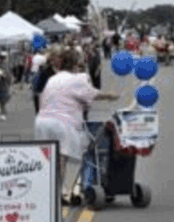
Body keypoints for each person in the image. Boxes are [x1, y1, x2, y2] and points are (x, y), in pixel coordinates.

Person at [33, 49, 119, 203]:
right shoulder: (78, 79)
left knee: (48, 157)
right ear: (76, 64)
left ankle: (46, 190)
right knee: (66, 158)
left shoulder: (54, 78)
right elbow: (91, 94)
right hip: (62, 122)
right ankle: (63, 192)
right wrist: (110, 96)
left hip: (42, 121)